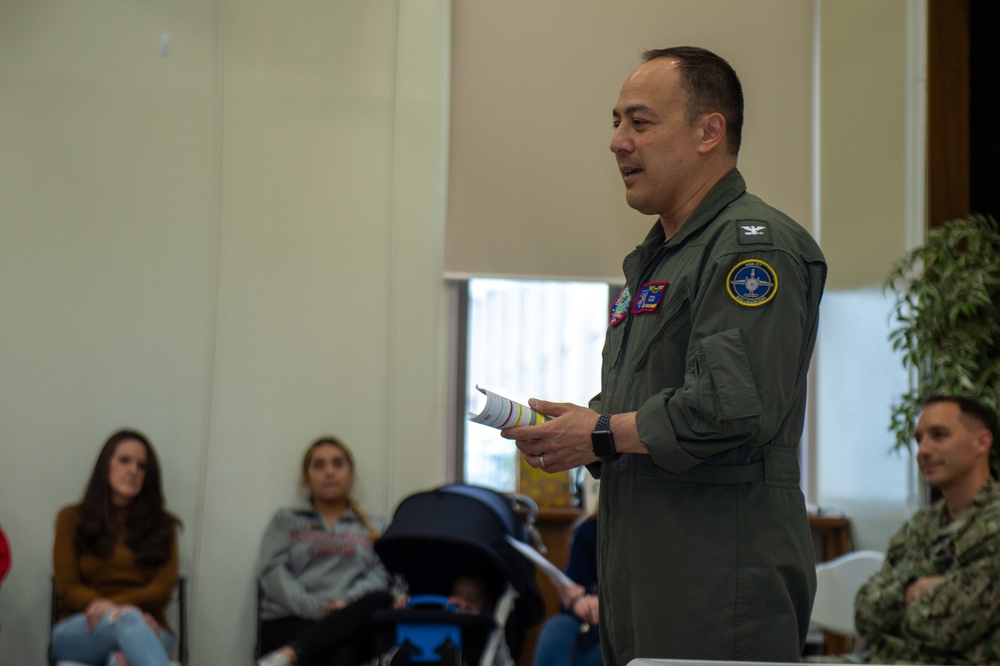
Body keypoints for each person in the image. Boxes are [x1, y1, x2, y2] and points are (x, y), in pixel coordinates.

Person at [501, 46, 826, 665]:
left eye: (641, 122)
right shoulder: (659, 259)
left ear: (710, 132)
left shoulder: (749, 251)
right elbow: (646, 402)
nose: (619, 142)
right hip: (645, 573)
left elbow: (730, 407)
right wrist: (580, 426)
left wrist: (599, 433)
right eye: (616, 122)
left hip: (716, 579)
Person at [854, 395, 1000, 664]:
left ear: (982, 442)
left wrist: (894, 602)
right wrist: (912, 591)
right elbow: (863, 612)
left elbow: (945, 628)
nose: (923, 451)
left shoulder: (994, 523)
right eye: (919, 439)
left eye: (939, 435)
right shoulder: (923, 523)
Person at [257, 436, 395, 666]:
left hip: (353, 620)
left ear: (351, 474)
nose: (329, 472)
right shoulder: (286, 520)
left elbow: (382, 574)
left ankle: (289, 655)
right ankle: (294, 649)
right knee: (339, 653)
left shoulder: (378, 525)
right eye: (319, 465)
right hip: (290, 620)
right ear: (306, 477)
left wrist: (345, 607)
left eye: (337, 464)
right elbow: (273, 573)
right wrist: (318, 609)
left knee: (381, 598)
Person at [52, 429, 181, 666]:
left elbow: (162, 588)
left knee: (122, 660)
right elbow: (68, 588)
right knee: (128, 623)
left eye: (142, 466)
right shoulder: (71, 518)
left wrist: (120, 610)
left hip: (149, 626)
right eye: (124, 461)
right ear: (105, 465)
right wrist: (120, 612)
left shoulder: (163, 526)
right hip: (81, 627)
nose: (133, 470)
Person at [533, 512, 601, 666]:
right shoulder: (589, 529)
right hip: (592, 627)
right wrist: (577, 602)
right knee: (557, 628)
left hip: (629, 631)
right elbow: (574, 590)